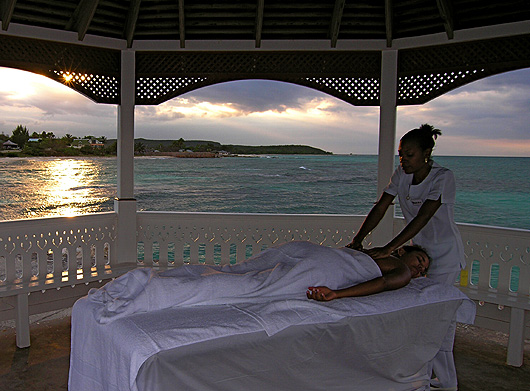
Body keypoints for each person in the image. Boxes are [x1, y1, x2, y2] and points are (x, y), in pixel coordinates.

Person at [347, 123, 465, 391]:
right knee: (423, 318)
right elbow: (381, 207)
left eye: (409, 154)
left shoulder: (443, 177)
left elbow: (424, 216)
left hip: (444, 256)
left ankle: (445, 382)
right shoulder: (402, 174)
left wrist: (389, 249)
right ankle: (430, 378)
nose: (403, 160)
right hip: (418, 253)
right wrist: (358, 239)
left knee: (439, 320)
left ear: (427, 152)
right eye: (401, 154)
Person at [306, 244, 430, 301]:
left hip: (316, 253)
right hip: (329, 265)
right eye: (420, 259)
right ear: (402, 251)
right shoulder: (403, 271)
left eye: (423, 271)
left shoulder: (372, 253)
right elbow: (384, 283)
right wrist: (336, 294)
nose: (420, 268)